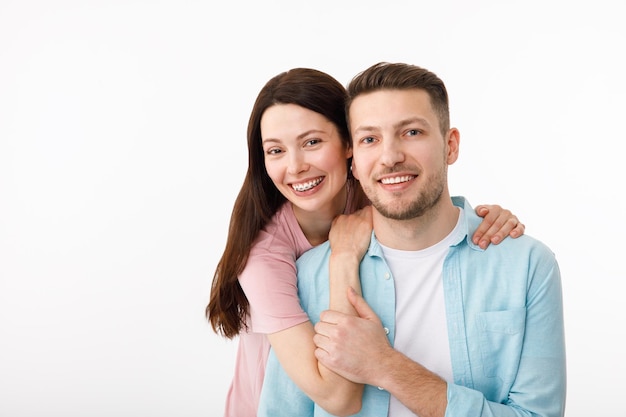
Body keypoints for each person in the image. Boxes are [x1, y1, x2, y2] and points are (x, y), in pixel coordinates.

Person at [207, 67, 526, 417]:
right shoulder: (264, 258)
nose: (296, 166)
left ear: (350, 146)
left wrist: (481, 218)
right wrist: (342, 258)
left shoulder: (373, 194)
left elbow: (425, 202)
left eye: (312, 142)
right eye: (275, 150)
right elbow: (339, 398)